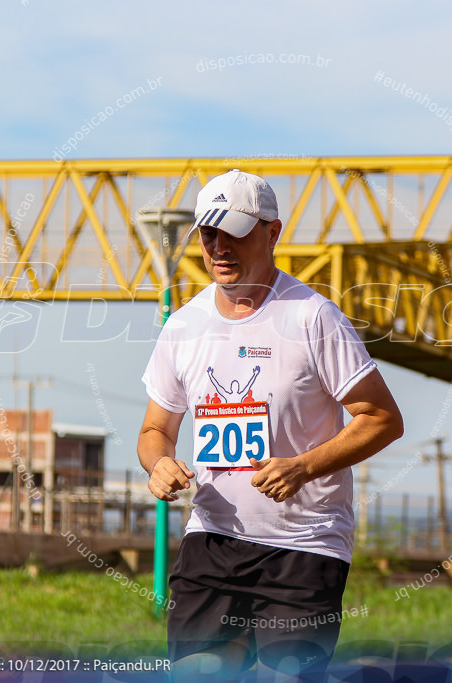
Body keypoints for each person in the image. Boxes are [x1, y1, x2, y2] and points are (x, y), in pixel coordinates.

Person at [138, 169, 404, 681]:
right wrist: (159, 464)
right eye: (208, 234)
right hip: (212, 538)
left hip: (304, 544)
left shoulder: (312, 318)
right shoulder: (184, 327)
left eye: (234, 231)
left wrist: (304, 467)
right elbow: (155, 430)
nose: (219, 247)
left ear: (272, 231)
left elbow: (383, 419)